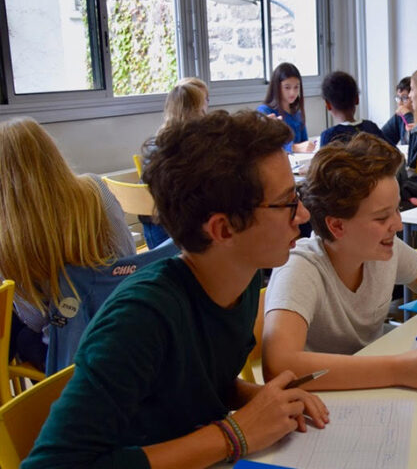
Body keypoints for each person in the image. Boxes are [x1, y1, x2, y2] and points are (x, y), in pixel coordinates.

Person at [24, 111, 329, 469]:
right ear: (223, 230)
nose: (303, 214)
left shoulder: (240, 280)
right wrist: (233, 435)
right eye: (287, 202)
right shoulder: (139, 320)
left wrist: (262, 401)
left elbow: (201, 385)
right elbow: (50, 465)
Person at [261, 133, 417, 391]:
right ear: (337, 225)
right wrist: (397, 370)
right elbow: (278, 365)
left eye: (397, 209)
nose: (397, 224)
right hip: (329, 401)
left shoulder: (379, 250)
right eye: (381, 217)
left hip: (372, 386)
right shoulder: (301, 268)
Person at [0, 117, 135, 372]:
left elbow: (36, 319)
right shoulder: (95, 190)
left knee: (21, 335)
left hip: (70, 352)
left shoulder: (9, 237)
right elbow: (127, 260)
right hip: (123, 324)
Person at [140, 77, 211, 248]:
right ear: (196, 111)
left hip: (152, 234)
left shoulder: (155, 142)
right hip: (174, 236)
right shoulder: (186, 148)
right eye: (203, 107)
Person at [318, 71, 387, 147]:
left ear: (328, 105)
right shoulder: (371, 128)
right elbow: (395, 153)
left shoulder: (329, 136)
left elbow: (322, 158)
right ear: (357, 99)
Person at [258, 62, 315, 153]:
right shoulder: (264, 111)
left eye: (296, 87)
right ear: (277, 87)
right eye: (287, 87)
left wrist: (309, 146)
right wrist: (294, 147)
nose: (292, 92)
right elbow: (263, 145)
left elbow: (304, 142)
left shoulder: (297, 114)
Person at [381, 76, 413, 146]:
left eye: (404, 98)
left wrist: (408, 115)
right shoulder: (400, 117)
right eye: (398, 98)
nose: (400, 103)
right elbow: (381, 139)